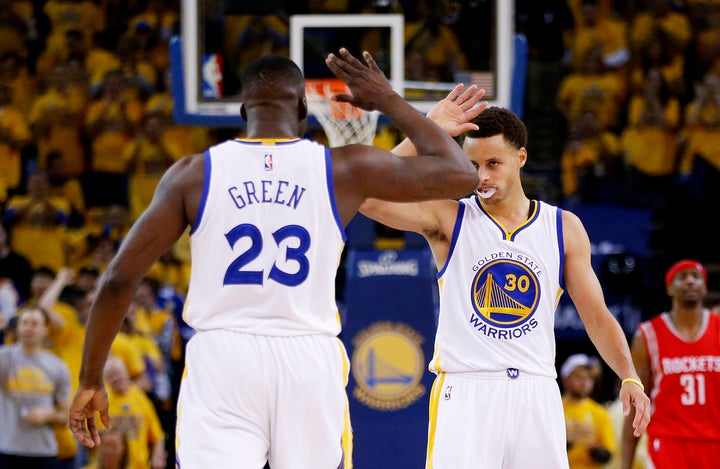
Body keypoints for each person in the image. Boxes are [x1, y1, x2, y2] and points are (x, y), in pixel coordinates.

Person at [68, 48, 481, 469]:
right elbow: (463, 175)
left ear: (244, 109)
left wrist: (89, 379)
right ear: (304, 107)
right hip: (306, 357)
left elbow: (119, 279)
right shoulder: (344, 169)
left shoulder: (193, 173)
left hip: (222, 357)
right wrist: (387, 100)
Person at [360, 103, 651, 469]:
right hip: (468, 388)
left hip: (537, 390)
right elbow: (367, 195)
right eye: (473, 165)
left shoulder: (563, 228)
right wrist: (425, 128)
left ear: (521, 157)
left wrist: (629, 376)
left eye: (493, 163)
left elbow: (596, 316)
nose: (481, 176)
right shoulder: (450, 217)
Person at [621, 259, 720, 469]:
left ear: (705, 287)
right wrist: (625, 464)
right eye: (682, 277)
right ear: (669, 288)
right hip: (667, 443)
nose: (690, 281)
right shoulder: (648, 335)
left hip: (715, 441)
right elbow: (636, 402)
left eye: (696, 276)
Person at [0, 307, 73, 467]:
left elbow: (66, 416)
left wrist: (49, 415)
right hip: (7, 448)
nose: (28, 328)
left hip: (43, 451)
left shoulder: (58, 366)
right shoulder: (4, 357)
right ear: (18, 328)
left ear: (45, 329)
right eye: (24, 323)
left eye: (34, 323)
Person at [561, 353, 616, 468]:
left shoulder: (600, 412)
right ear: (565, 379)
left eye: (589, 378)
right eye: (579, 377)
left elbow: (608, 455)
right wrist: (569, 442)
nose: (584, 382)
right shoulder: (554, 408)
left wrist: (594, 449)